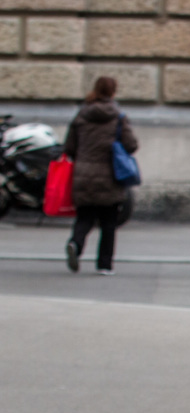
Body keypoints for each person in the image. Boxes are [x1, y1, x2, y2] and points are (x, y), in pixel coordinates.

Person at [64, 76, 137, 276]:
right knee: (108, 223)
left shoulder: (81, 115)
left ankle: (75, 245)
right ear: (113, 93)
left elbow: (69, 147)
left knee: (84, 217)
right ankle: (104, 265)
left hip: (84, 175)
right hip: (110, 176)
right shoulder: (118, 117)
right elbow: (131, 145)